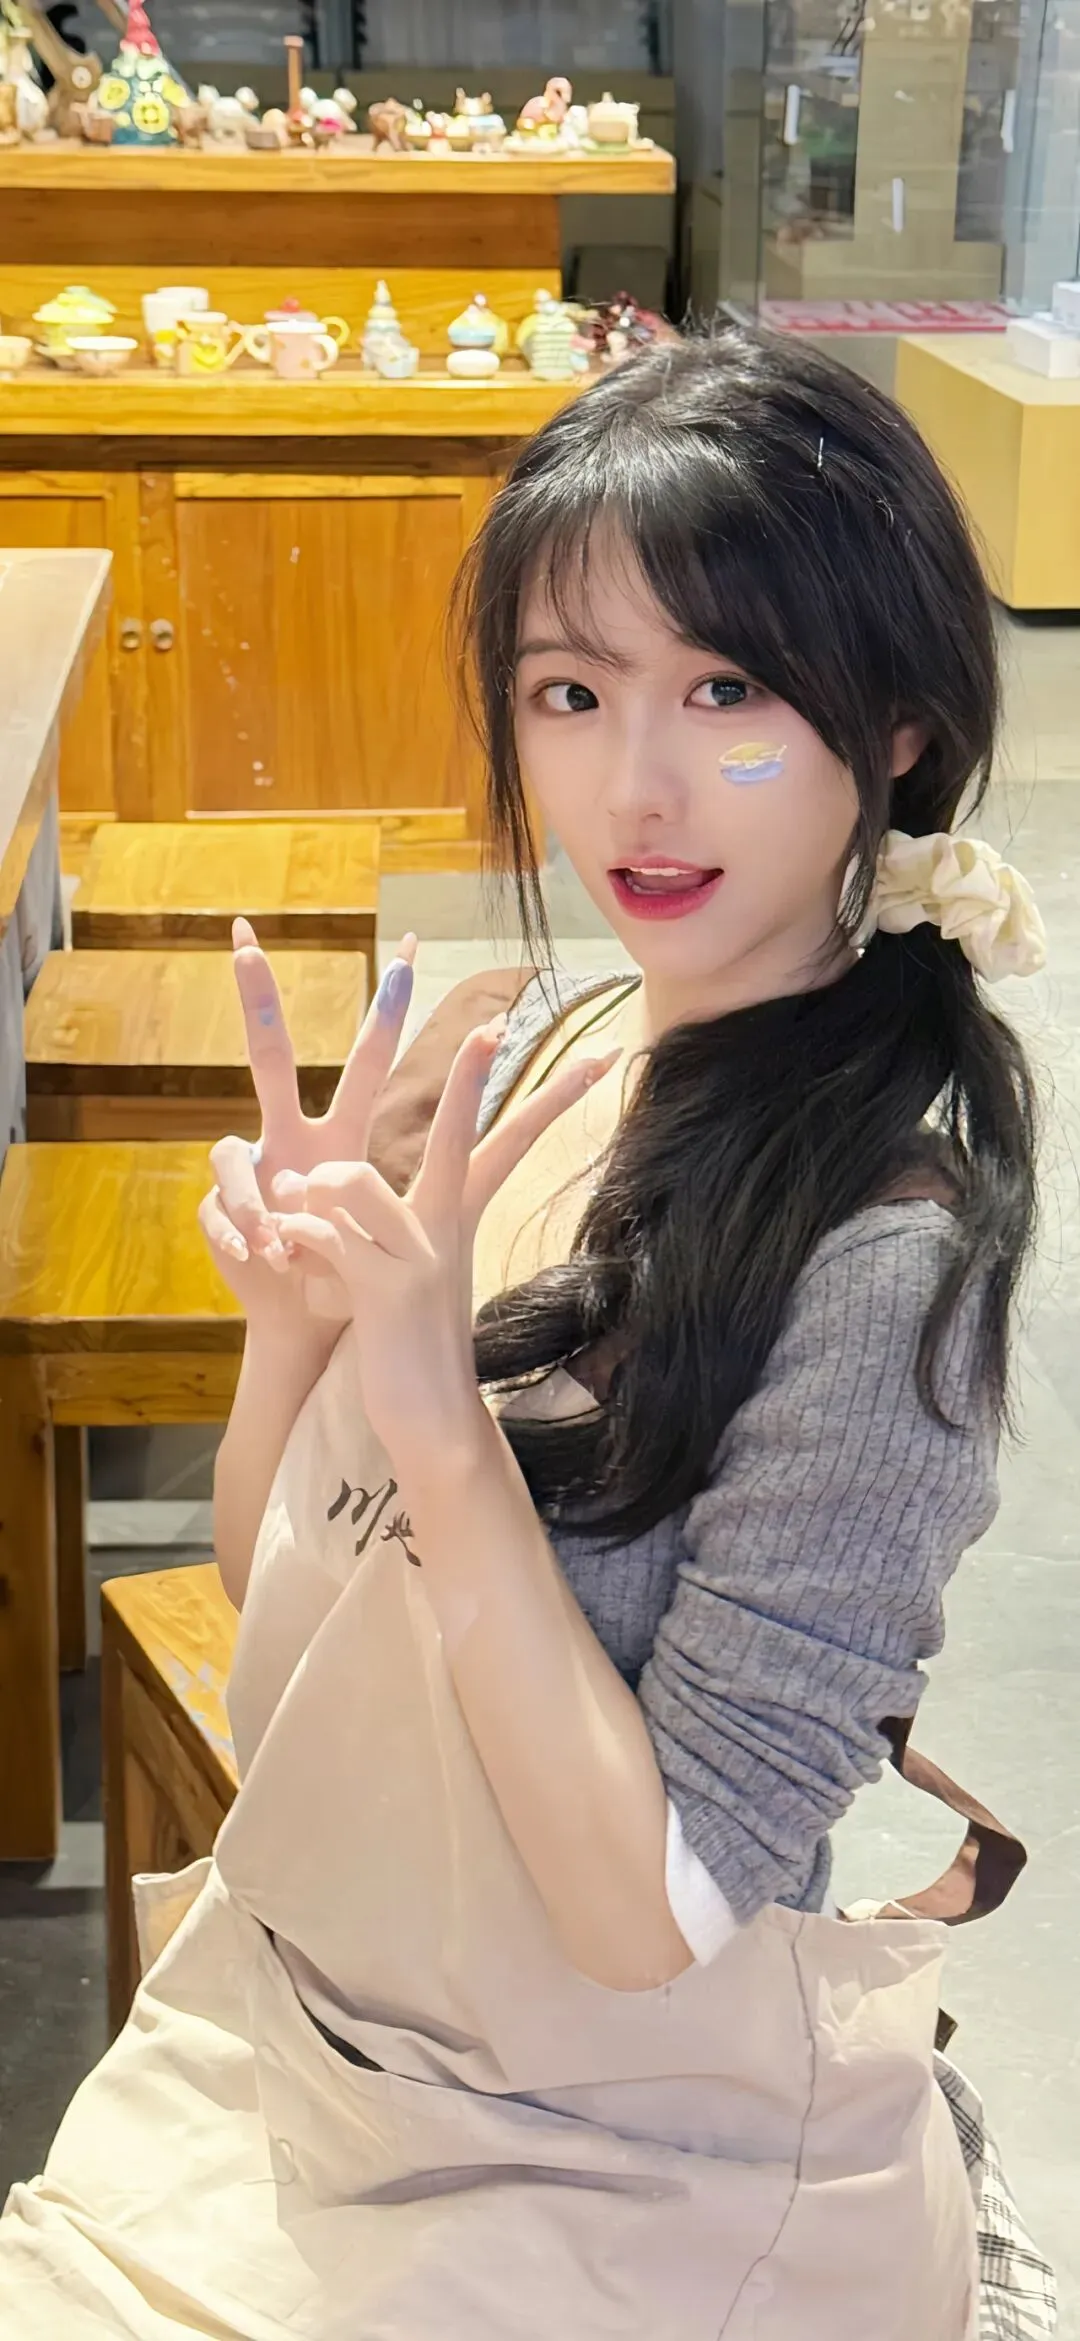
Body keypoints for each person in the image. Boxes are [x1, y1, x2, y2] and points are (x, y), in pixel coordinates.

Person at [0, 327, 1058, 2338]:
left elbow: (653, 1919)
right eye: (572, 692)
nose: (633, 784)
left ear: (901, 728)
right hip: (333, 2025)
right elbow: (295, 1608)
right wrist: (292, 1336)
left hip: (613, 2164)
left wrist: (440, 1423)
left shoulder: (882, 1265)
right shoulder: (552, 1050)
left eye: (728, 692)